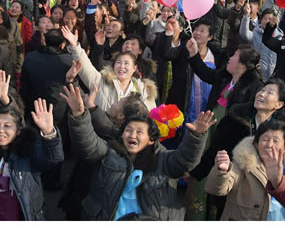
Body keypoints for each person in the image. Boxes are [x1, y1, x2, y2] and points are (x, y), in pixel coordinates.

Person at [63, 83, 214, 220]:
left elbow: (185, 160)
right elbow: (88, 144)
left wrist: (196, 137)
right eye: (128, 130)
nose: (132, 135)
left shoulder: (162, 158)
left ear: (151, 139)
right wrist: (79, 116)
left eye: (139, 132)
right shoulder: (109, 151)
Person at [206, 115, 285, 220]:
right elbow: (215, 189)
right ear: (256, 144)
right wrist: (222, 172)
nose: (269, 145)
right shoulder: (242, 163)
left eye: (276, 141)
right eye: (265, 139)